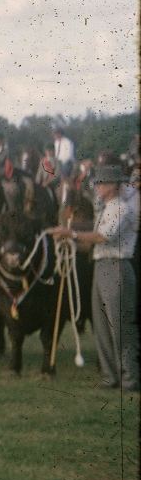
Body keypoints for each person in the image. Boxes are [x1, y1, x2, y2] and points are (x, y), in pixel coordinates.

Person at [53, 163, 138, 391]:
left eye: (102, 182)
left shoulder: (122, 208)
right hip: (101, 266)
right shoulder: (105, 207)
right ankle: (111, 376)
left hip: (117, 266)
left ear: (113, 185)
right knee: (101, 325)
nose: (97, 186)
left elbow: (103, 237)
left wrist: (71, 233)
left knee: (120, 326)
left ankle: (129, 377)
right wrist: (70, 240)